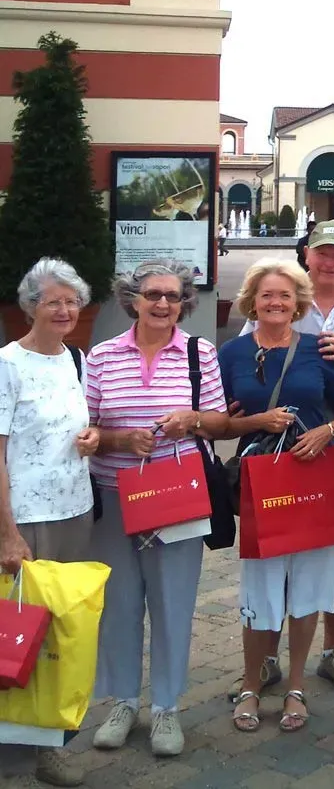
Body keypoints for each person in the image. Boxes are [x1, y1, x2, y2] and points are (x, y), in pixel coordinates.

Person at [230, 220, 334, 701]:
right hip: (275, 464)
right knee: (275, 553)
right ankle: (268, 658)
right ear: (307, 255)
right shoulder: (269, 311)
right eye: (322, 252)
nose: (330, 261)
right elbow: (236, 383)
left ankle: (332, 651)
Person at [86, 259, 230, 759]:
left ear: (184, 302)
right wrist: (121, 438)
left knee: (172, 604)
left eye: (172, 296)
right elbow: (84, 432)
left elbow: (218, 423)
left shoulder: (199, 353)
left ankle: (167, 707)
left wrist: (192, 419)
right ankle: (124, 702)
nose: (163, 304)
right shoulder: (102, 356)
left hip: (177, 498)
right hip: (113, 498)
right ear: (134, 299)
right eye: (153, 295)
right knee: (119, 606)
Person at [219, 258, 334, 734]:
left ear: (298, 303)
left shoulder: (316, 350)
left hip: (314, 481)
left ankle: (297, 686)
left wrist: (325, 431)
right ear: (252, 302)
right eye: (266, 296)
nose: (276, 303)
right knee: (260, 586)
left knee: (308, 585)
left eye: (284, 296)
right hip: (262, 484)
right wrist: (252, 422)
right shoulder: (233, 353)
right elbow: (219, 419)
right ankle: (251, 686)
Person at [0, 259, 100, 789]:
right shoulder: (8, 363)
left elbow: (80, 427)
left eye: (72, 300)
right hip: (27, 520)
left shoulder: (75, 359)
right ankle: (13, 748)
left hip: (74, 513)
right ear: (30, 306)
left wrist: (93, 439)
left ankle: (49, 748)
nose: (64, 310)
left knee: (61, 635)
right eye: (53, 301)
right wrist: (7, 531)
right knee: (17, 635)